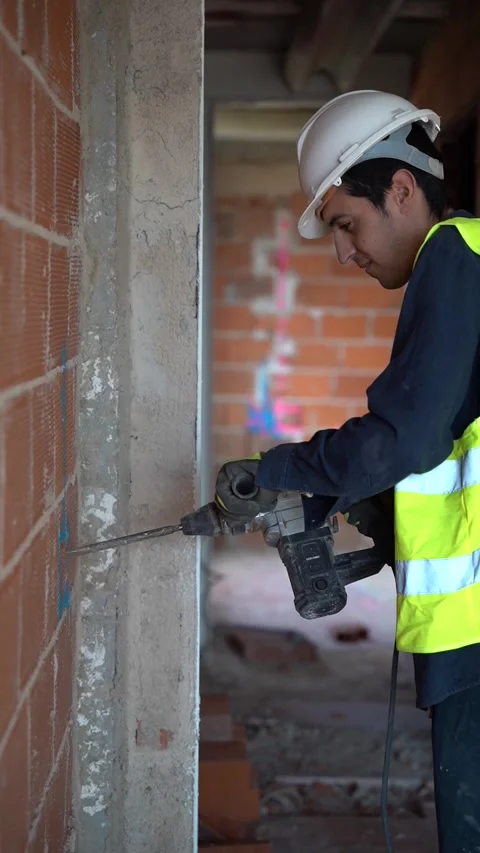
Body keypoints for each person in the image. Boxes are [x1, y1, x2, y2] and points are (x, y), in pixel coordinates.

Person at [214, 90, 480, 853]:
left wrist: (282, 470)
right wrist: (363, 504)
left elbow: (402, 435)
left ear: (400, 189)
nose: (343, 251)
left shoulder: (454, 257)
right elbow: (444, 442)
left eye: (344, 224)